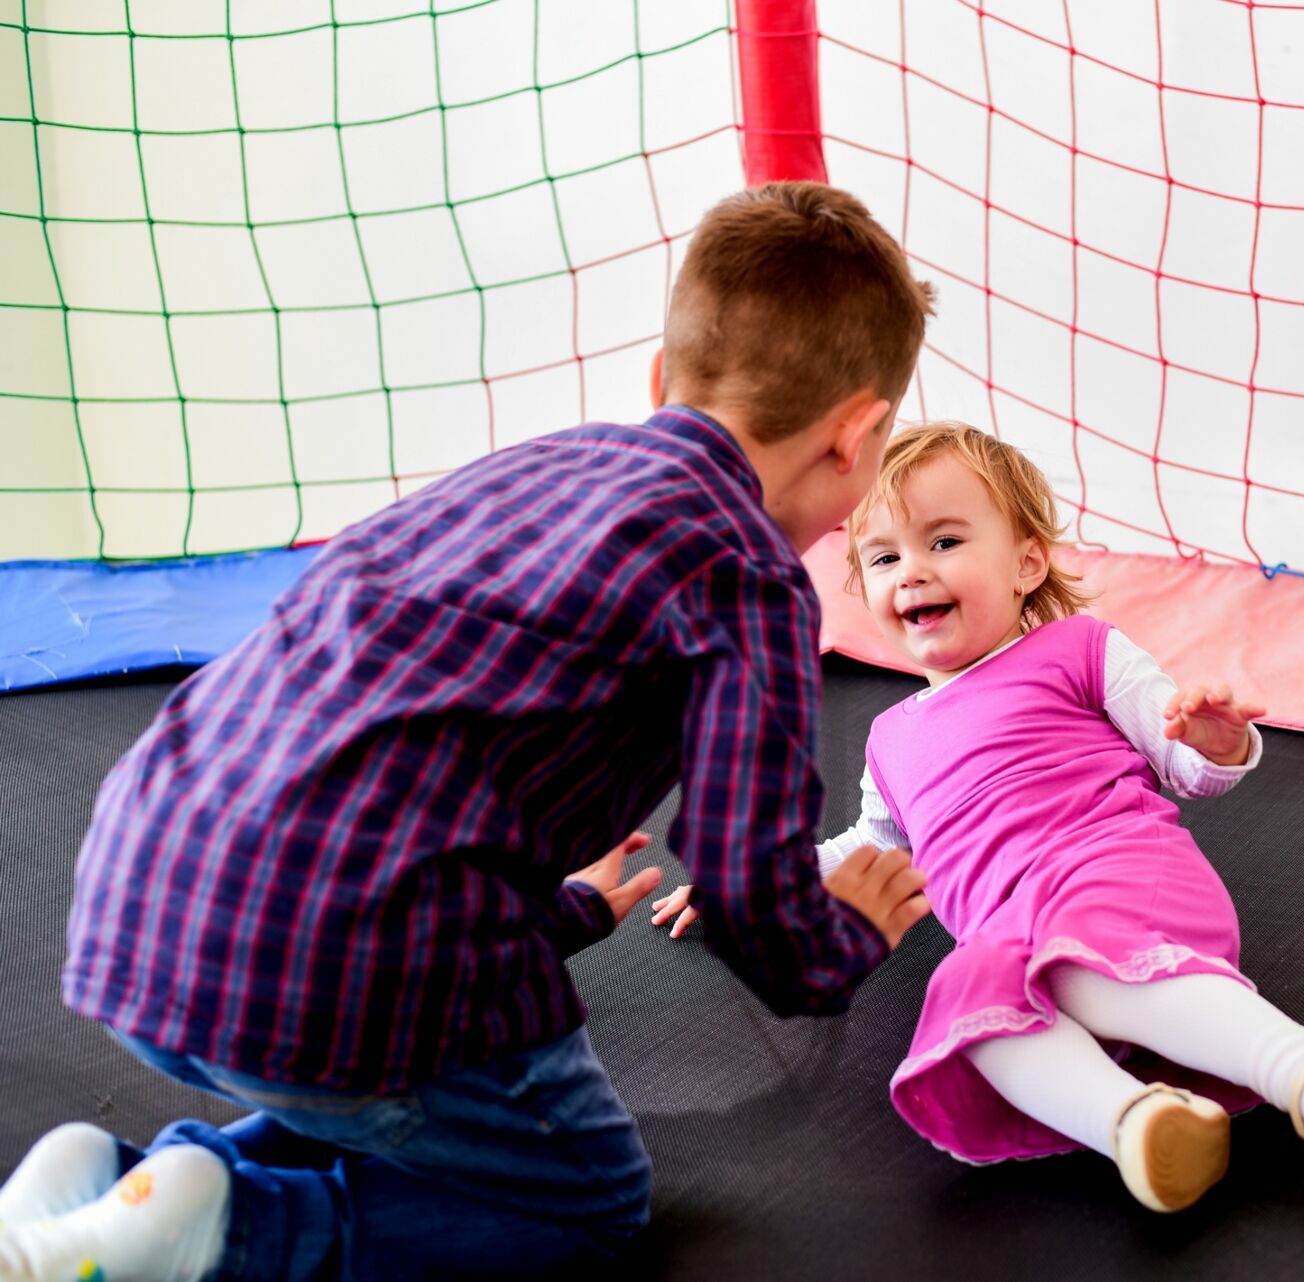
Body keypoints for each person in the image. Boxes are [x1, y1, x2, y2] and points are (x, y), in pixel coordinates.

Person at [0, 182, 935, 1281]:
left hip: (144, 893)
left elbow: (381, 727)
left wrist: (554, 904)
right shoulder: (750, 579)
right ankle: (226, 1231)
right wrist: (843, 938)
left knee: (381, 1093)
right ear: (859, 435)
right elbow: (742, 887)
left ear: (659, 381)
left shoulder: (542, 465)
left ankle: (111, 1186)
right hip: (336, 959)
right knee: (584, 1199)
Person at [652, 423, 1304, 1213]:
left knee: (1078, 965)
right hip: (1004, 932)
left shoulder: (1078, 650)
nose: (911, 572)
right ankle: (1135, 1122)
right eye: (884, 558)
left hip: (1112, 871)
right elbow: (874, 849)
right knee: (966, 1007)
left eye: (943, 542)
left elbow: (1187, 761)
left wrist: (1217, 738)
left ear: (1026, 562)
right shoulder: (891, 738)